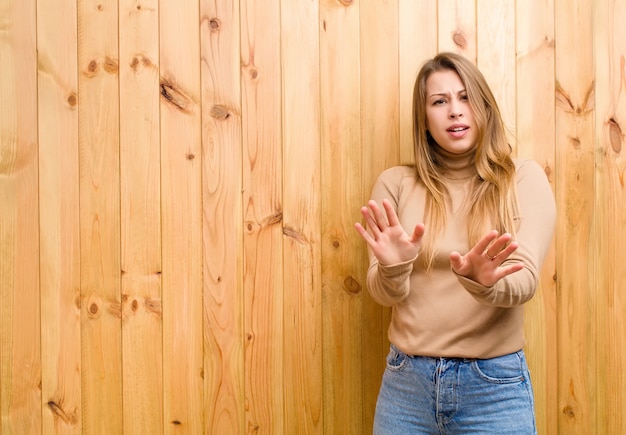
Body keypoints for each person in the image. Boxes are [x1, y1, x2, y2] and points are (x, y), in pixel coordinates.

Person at [354, 52, 556, 434]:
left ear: (484, 107)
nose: (455, 111)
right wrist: (394, 269)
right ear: (425, 119)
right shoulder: (395, 184)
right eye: (440, 101)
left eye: (465, 98)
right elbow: (384, 292)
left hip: (493, 389)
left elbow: (525, 282)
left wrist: (485, 281)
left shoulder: (523, 180)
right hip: (406, 387)